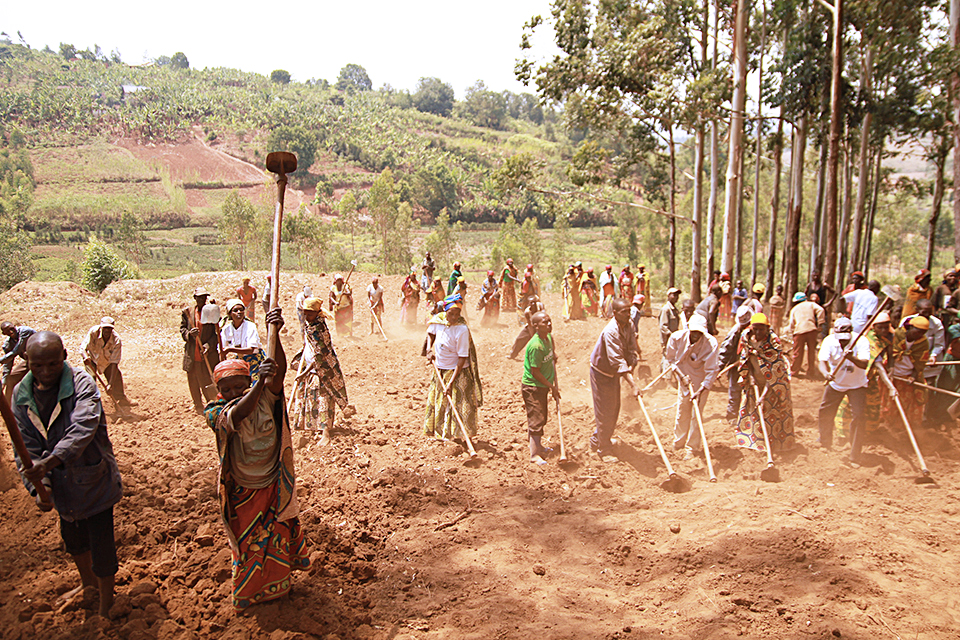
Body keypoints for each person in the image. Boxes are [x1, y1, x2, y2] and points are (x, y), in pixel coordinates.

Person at [203, 309, 311, 612]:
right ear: (218, 391)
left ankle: (278, 588)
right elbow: (238, 414)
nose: (233, 393)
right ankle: (250, 594)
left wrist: (273, 330)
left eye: (239, 386)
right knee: (249, 546)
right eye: (227, 389)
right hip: (242, 489)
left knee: (275, 538)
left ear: (248, 381)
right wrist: (258, 385)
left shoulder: (265, 393)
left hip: (272, 483)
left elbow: (280, 373)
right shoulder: (216, 410)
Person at [13, 331, 123, 618]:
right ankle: (89, 586)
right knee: (73, 539)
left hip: (93, 478)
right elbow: (25, 446)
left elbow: (83, 428)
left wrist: (48, 463)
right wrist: (39, 487)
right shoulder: (21, 395)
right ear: (27, 362)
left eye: (52, 363)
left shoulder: (82, 383)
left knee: (101, 545)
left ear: (64, 357)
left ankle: (107, 601)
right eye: (38, 366)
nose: (46, 372)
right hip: (61, 485)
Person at [290, 298, 352, 446]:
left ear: (317, 313)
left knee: (324, 397)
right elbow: (308, 346)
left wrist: (304, 372)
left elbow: (320, 354)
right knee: (311, 395)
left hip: (324, 368)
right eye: (305, 313)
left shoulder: (319, 328)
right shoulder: (308, 325)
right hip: (310, 364)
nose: (306, 316)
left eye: (310, 313)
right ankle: (313, 428)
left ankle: (325, 433)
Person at [424, 294, 483, 442]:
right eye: (451, 313)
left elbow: (462, 358)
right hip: (441, 368)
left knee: (456, 404)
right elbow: (430, 335)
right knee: (441, 401)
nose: (454, 317)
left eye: (457, 314)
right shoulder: (438, 321)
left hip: (458, 371)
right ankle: (442, 434)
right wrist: (429, 350)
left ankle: (457, 436)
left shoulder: (462, 329)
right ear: (445, 311)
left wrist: (451, 383)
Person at [735, 313, 795, 452]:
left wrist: (763, 396)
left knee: (771, 414)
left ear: (768, 329)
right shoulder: (747, 339)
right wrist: (750, 377)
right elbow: (746, 359)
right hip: (754, 381)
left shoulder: (773, 344)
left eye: (761, 329)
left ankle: (774, 446)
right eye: (755, 328)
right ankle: (754, 442)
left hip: (773, 386)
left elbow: (775, 374)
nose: (758, 332)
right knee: (753, 412)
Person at [588, 299, 640, 462]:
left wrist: (632, 360)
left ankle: (599, 439)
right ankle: (604, 450)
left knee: (614, 407)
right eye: (624, 311)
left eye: (629, 310)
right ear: (615, 313)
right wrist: (633, 384)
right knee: (604, 410)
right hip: (601, 372)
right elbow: (617, 360)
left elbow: (631, 348)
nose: (628, 314)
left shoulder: (629, 324)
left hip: (614, 373)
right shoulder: (611, 331)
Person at [664, 314, 720, 460]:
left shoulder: (711, 344)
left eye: (699, 333)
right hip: (682, 376)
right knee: (682, 410)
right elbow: (670, 360)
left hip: (700, 379)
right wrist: (680, 377)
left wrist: (701, 390)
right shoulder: (676, 338)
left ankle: (692, 447)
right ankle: (679, 442)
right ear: (688, 329)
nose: (695, 336)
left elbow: (712, 370)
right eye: (693, 332)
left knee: (696, 414)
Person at [817, 317, 870, 465]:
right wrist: (825, 373)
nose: (843, 342)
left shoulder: (861, 341)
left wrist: (851, 357)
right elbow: (822, 362)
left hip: (857, 385)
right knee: (825, 411)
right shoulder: (828, 341)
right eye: (840, 339)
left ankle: (855, 454)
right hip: (836, 383)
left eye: (845, 340)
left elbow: (865, 364)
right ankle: (825, 441)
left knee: (859, 416)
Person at [522, 312, 561, 465]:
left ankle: (539, 447)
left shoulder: (548, 338)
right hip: (533, 387)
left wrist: (553, 356)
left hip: (543, 386)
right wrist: (551, 386)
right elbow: (535, 372)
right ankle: (534, 455)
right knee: (536, 419)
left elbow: (551, 352)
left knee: (542, 416)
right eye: (545, 322)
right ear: (536, 326)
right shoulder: (535, 346)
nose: (549, 324)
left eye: (550, 321)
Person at [881, 315, 930, 428]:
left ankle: (901, 427)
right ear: (910, 327)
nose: (918, 335)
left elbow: (921, 362)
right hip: (891, 373)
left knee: (905, 402)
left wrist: (913, 376)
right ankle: (886, 425)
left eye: (922, 333)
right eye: (917, 332)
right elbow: (890, 353)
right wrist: (891, 369)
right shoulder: (897, 335)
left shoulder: (923, 343)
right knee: (889, 402)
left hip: (907, 375)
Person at [80, 317, 137, 409]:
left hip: (107, 362)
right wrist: (85, 357)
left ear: (112, 328)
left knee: (116, 377)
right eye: (105, 328)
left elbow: (114, 363)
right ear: (101, 327)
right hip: (92, 360)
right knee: (90, 379)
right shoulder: (93, 332)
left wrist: (110, 384)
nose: (107, 331)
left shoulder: (116, 340)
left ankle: (121, 399)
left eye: (109, 328)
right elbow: (83, 348)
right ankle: (88, 402)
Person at [181, 287, 221, 414]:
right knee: (193, 379)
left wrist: (208, 346)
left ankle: (211, 403)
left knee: (206, 379)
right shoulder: (187, 312)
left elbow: (216, 334)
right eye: (199, 298)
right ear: (195, 298)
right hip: (192, 353)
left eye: (204, 298)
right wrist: (189, 334)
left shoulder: (210, 312)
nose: (202, 300)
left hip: (206, 354)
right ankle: (197, 404)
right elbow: (182, 329)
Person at [720, 306, 753, 422]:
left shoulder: (756, 328)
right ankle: (732, 416)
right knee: (735, 391)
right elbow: (725, 350)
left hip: (752, 365)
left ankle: (748, 416)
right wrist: (718, 367)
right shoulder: (735, 331)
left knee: (751, 391)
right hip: (736, 366)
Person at [928, 324, 960, 430]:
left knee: (957, 394)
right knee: (945, 387)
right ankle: (936, 417)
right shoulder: (955, 329)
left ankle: (948, 416)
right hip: (954, 360)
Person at [788, 292, 826, 378]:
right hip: (811, 330)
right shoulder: (811, 304)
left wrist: (793, 332)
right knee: (811, 352)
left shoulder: (794, 309)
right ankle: (811, 372)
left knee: (797, 352)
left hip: (799, 331)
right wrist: (820, 323)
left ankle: (794, 371)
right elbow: (821, 310)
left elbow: (791, 323)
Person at [1, 321, 36, 403]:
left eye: (11, 328)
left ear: (15, 326)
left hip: (42, 358)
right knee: (11, 379)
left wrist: (2, 360)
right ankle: (8, 407)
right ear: (4, 333)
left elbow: (17, 350)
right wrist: (4, 381)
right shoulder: (8, 343)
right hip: (29, 361)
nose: (11, 331)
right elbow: (8, 363)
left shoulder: (25, 331)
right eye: (7, 330)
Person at [509, 296, 546, 360]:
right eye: (531, 303)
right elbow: (530, 326)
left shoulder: (540, 306)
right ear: (528, 304)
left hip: (541, 326)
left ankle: (546, 355)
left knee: (545, 340)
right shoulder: (527, 312)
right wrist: (533, 336)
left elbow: (544, 316)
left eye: (534, 302)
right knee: (519, 339)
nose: (533, 304)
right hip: (531, 326)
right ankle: (513, 354)